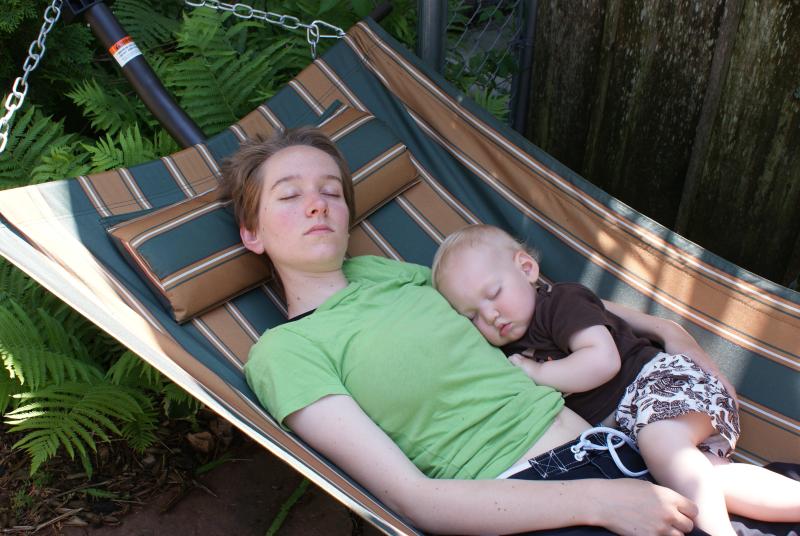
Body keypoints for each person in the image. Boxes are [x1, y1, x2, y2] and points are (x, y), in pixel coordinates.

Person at [221, 126, 717, 535]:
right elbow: (416, 499)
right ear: (252, 233)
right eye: (290, 195)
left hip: (617, 450)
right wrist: (598, 502)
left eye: (331, 191)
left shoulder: (390, 276)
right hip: (533, 499)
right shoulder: (286, 351)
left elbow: (529, 301)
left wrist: (664, 329)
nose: (317, 204)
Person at [431, 224, 800, 535]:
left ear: (526, 268)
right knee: (710, 479)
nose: (490, 315)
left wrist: (537, 373)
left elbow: (603, 361)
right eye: (472, 316)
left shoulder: (560, 304)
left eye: (493, 294)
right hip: (644, 429)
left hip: (660, 386)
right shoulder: (509, 349)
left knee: (664, 450)